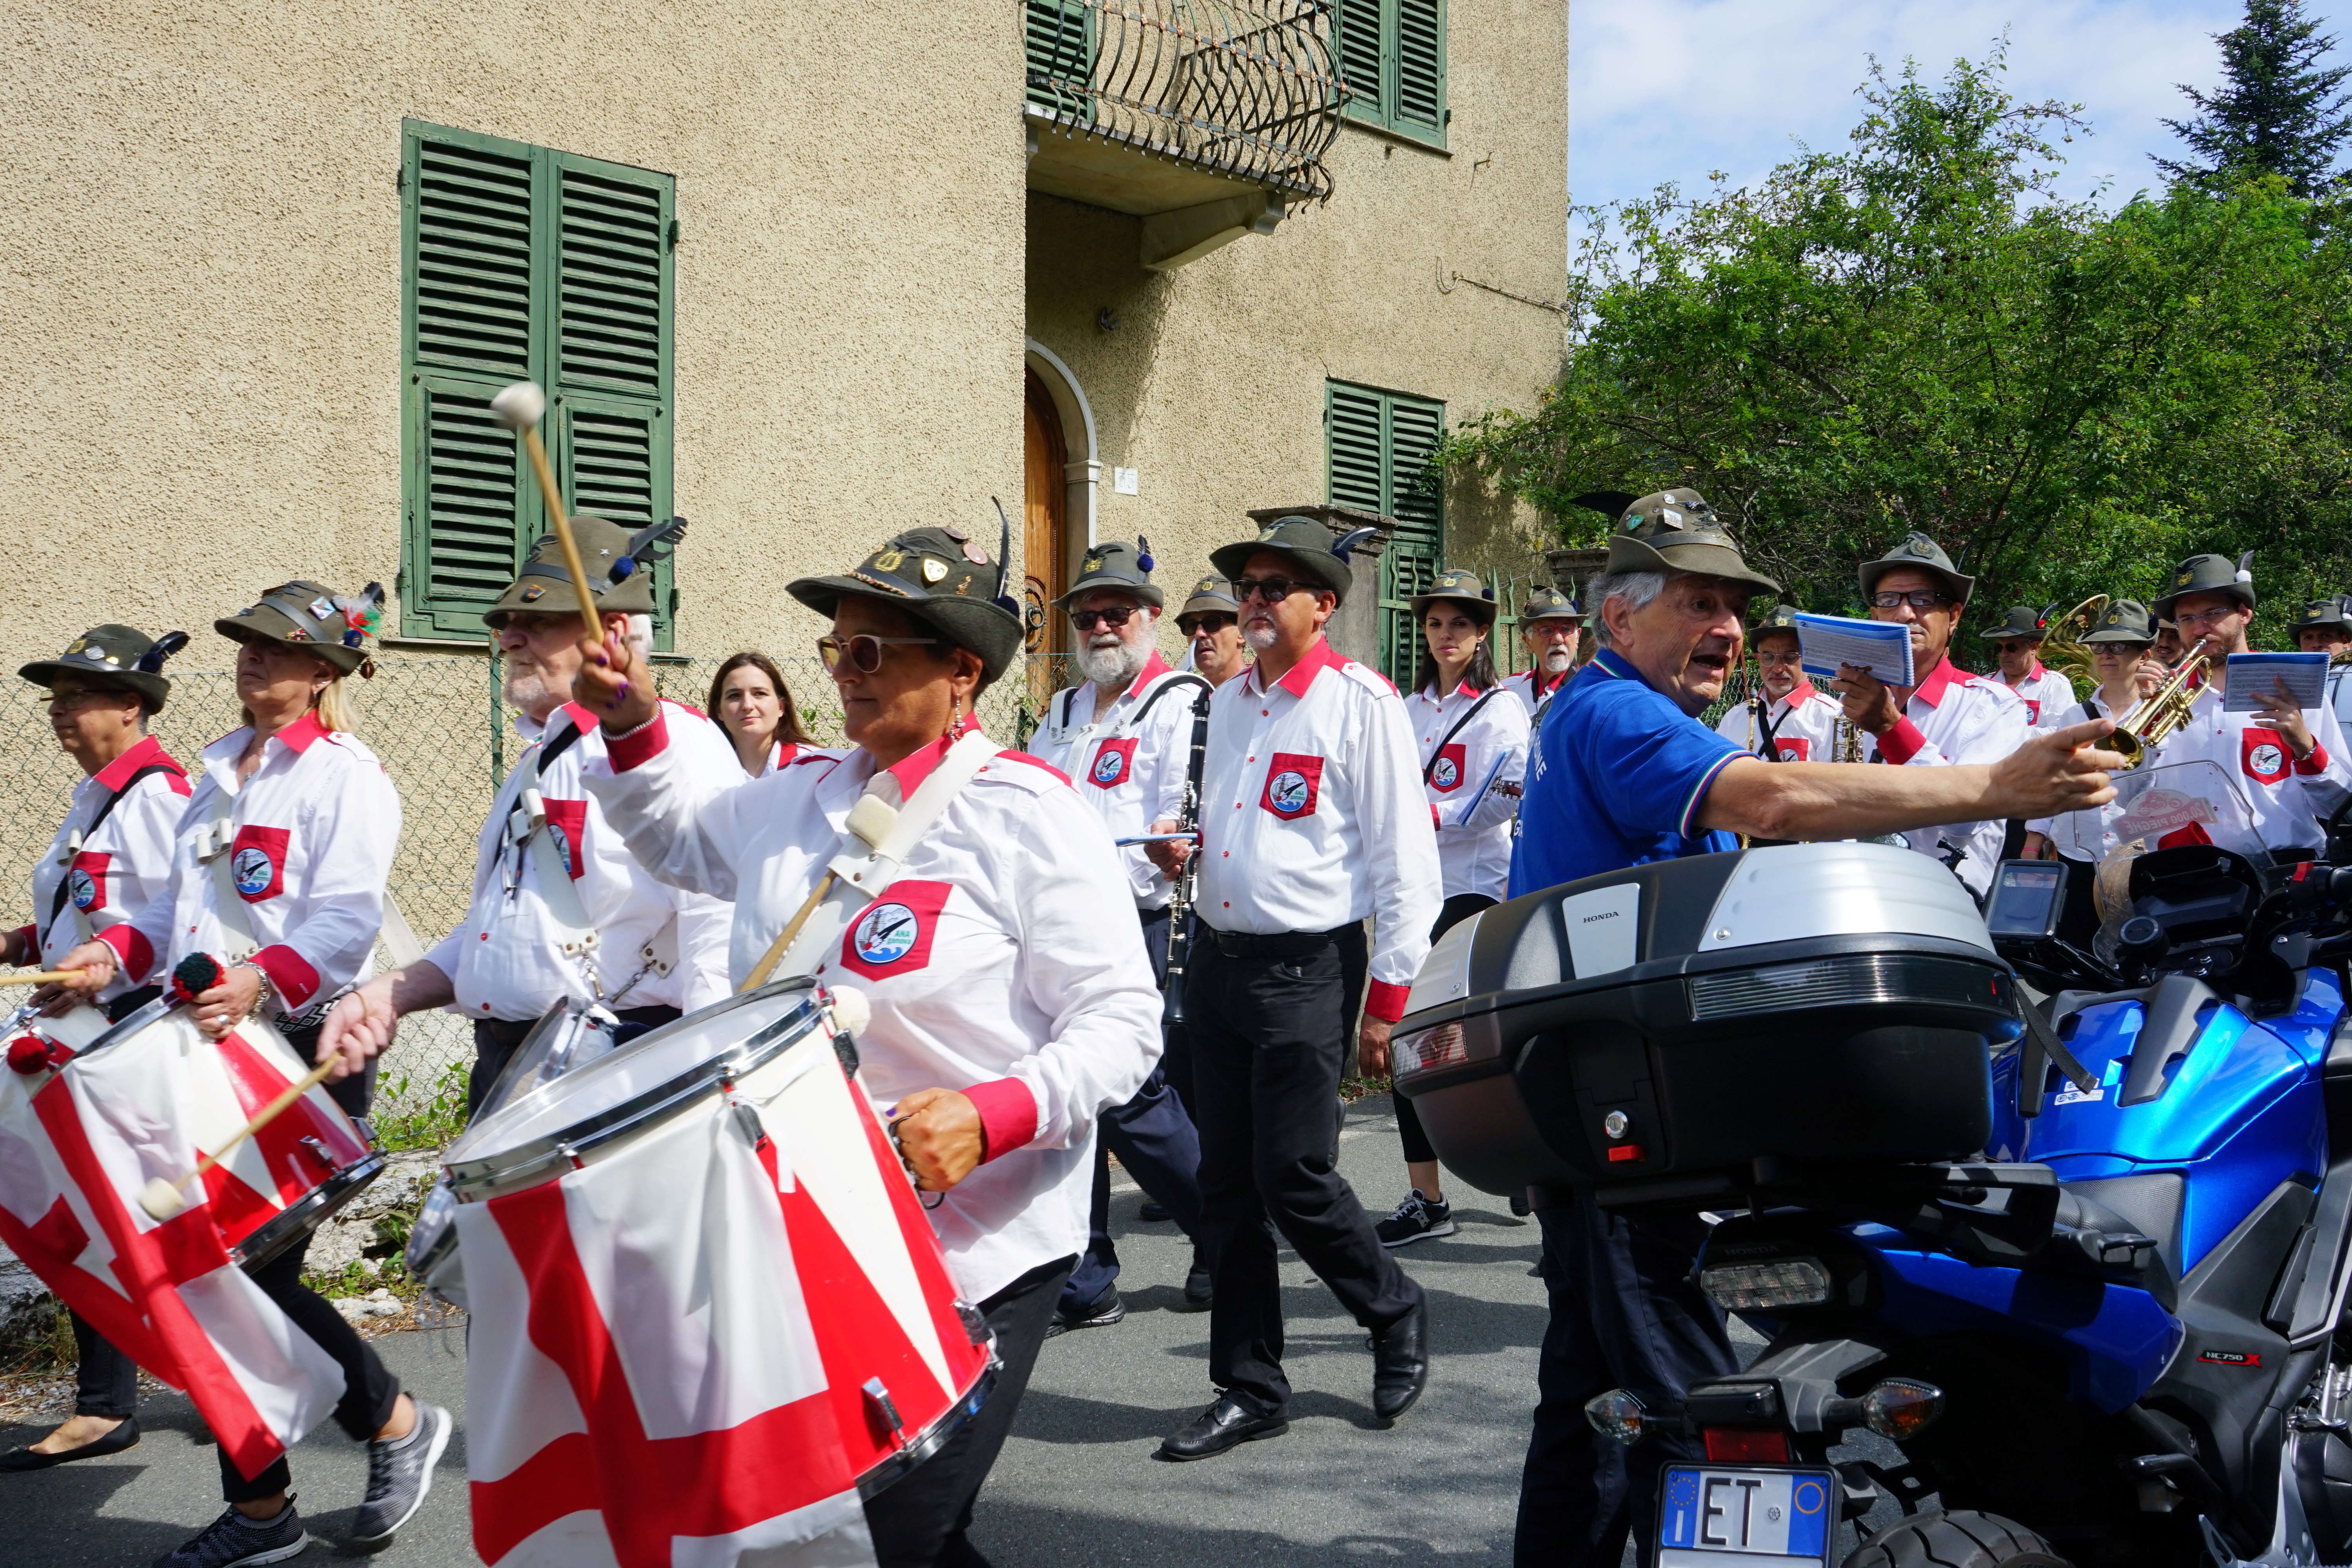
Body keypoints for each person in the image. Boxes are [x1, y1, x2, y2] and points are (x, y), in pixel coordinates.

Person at [1508, 490, 2120, 1568]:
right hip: (1626, 1109)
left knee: (1587, 1395)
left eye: (1736, 607)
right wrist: (1995, 783)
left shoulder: (1591, 708)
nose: (1730, 628)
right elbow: (1776, 802)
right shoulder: (1617, 711)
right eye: (1698, 601)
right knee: (1701, 1409)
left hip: (1595, 1098)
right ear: (1618, 619)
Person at [535, 525, 1162, 1568]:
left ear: (961, 670)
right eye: (838, 649)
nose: (845, 675)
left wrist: (992, 1111)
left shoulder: (1030, 814)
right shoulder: (801, 796)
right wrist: (634, 722)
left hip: (978, 1235)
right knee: (859, 1528)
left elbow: (1121, 1022)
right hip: (812, 1222)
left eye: (874, 653)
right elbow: (679, 846)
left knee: (891, 1522)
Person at [54, 582, 449, 1567]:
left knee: (247, 1275)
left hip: (297, 1053)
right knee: (214, 1279)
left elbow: (343, 923)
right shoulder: (216, 771)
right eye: (246, 644)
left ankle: (380, 1431)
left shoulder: (348, 778)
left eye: (276, 649)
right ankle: (288, 1489)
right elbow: (174, 915)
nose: (252, 658)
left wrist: (257, 978)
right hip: (201, 1050)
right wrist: (113, 951)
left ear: (324, 673)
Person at [1147, 515, 1441, 1461]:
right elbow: (1242, 826)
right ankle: (1250, 1385)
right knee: (1226, 1186)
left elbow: (1406, 862)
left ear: (1326, 603)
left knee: (1296, 1173)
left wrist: (1388, 1002)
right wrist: (1185, 850)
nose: (1257, 601)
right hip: (1225, 962)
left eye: (1279, 587)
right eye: (1249, 586)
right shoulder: (1227, 702)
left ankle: (1391, 1307)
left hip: (1309, 968)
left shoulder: (1362, 703)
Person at [317, 519, 737, 1120]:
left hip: (612, 1069)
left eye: (537, 622)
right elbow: (501, 935)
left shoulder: (676, 744)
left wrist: (703, 1087)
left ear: (611, 630)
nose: (509, 638)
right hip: (508, 1068)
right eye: (508, 623)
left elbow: (717, 922)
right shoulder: (539, 759)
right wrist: (389, 993)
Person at [0, 627, 191, 1474]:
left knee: (111, 1219)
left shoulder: (156, 796)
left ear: (132, 704)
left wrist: (99, 965)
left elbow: (167, 917)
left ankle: (120, 1400)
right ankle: (108, 1400)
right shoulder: (98, 798)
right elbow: (98, 902)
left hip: (120, 1033)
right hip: (78, 1025)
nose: (59, 708)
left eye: (77, 693)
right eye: (56, 695)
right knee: (94, 1217)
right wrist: (28, 939)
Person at [1022, 540, 1212, 1330]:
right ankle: (1086, 1272)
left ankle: (1229, 1229)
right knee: (1075, 1103)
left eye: (1117, 611)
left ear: (1150, 618)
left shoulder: (1182, 698)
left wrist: (1175, 833)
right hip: (1056, 923)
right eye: (1088, 613)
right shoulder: (1061, 711)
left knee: (1132, 1095)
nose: (1102, 625)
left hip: (1139, 917)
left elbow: (1184, 809)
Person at [1375, 569, 1528, 1249]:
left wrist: (1422, 815)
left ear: (1481, 633)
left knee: (1486, 1039)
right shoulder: (1404, 712)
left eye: (1460, 625)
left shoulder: (1502, 709)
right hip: (1413, 890)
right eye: (1436, 624)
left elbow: (1504, 796)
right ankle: (1426, 1195)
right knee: (1410, 1040)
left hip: (1473, 888)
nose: (1446, 636)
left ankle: (1530, 1160)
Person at [1835, 532, 2031, 900]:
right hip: (1852, 892)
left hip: (1944, 905)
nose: (1905, 614)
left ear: (1953, 617)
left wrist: (1892, 729)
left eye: (1923, 600)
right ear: (1875, 614)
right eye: (1889, 600)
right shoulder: (1842, 706)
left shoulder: (1996, 706)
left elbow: (1968, 819)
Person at [2147, 553, 2352, 854]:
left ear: (2244, 613)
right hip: (2189, 874)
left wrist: (2304, 746)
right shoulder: (2159, 696)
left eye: (2212, 613)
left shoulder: (2294, 685)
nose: (2199, 628)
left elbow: (2337, 805)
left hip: (2283, 868)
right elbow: (2127, 799)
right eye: (2186, 619)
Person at [2022, 599, 2165, 860]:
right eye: (2099, 646)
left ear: (2144, 655)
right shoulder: (2074, 716)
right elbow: (2052, 784)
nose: (2105, 654)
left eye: (2118, 646)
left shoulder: (2162, 716)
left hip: (2137, 853)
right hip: (2075, 851)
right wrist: (2033, 844)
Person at [1713, 605, 1840, 759]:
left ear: (1808, 658)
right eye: (1768, 658)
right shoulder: (1735, 717)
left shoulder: (1830, 716)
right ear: (1758, 659)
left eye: (1790, 657)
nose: (1778, 668)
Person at [709, 648, 819, 776]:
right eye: (734, 696)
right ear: (719, 711)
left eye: (760, 694)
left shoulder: (814, 766)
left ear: (781, 708)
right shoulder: (708, 775)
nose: (747, 706)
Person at [1980, 604, 2079, 726]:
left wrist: (2008, 737)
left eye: (2012, 647)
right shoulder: (1984, 684)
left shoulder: (2055, 685)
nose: (2003, 654)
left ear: (2034, 647)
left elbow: (2062, 733)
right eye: (1999, 647)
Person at [1503, 586, 1584, 718]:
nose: (1558, 639)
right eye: (1546, 631)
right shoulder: (1510, 690)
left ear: (1577, 638)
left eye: (1566, 629)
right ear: (1528, 642)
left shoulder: (1592, 690)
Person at [1175, 575, 1250, 686]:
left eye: (1212, 623)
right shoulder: (1183, 697)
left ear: (1242, 631)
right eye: (1190, 625)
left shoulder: (1265, 694)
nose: (1199, 633)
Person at [2290, 594, 2352, 725]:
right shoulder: (2289, 684)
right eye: (2308, 638)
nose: (2316, 644)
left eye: (2326, 636)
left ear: (2345, 641)